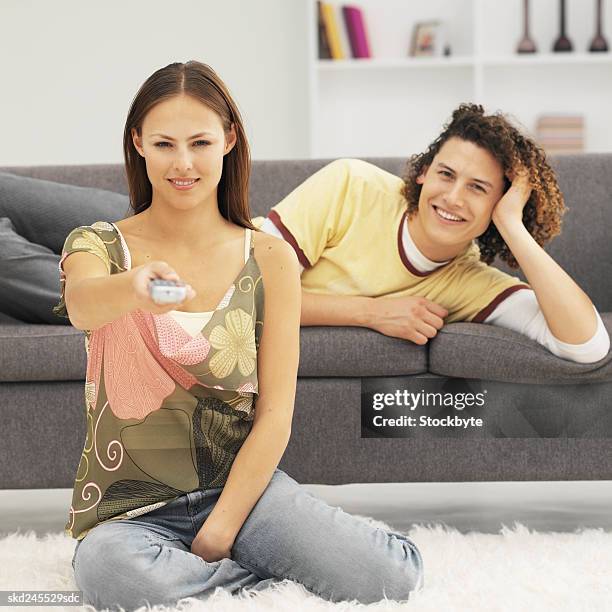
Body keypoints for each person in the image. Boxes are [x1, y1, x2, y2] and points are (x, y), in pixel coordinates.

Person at [53, 60, 423, 611]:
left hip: (243, 492)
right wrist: (133, 287)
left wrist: (220, 532)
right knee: (115, 576)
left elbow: (276, 413)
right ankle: (268, 585)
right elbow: (83, 306)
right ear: (138, 144)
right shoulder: (99, 245)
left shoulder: (268, 256)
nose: (183, 163)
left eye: (200, 142)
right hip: (128, 512)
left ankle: (233, 567)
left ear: (228, 140)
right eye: (164, 144)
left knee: (388, 578)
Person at [255, 104, 609, 364]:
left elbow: (586, 346)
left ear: (498, 205)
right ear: (423, 172)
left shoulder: (470, 283)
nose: (452, 198)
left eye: (478, 188)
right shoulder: (351, 185)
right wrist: (372, 313)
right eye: (446, 174)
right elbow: (249, 294)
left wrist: (513, 226)